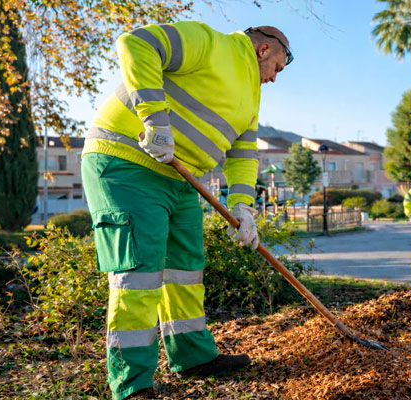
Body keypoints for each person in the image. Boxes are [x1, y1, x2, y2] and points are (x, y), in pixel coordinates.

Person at [80, 22, 292, 400]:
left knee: (185, 270)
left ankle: (193, 357)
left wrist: (242, 205)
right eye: (279, 66)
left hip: (180, 178)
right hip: (127, 160)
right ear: (264, 50)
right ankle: (133, 385)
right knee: (140, 273)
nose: (275, 78)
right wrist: (155, 121)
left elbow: (243, 153)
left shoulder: (250, 96)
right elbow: (137, 43)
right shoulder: (208, 42)